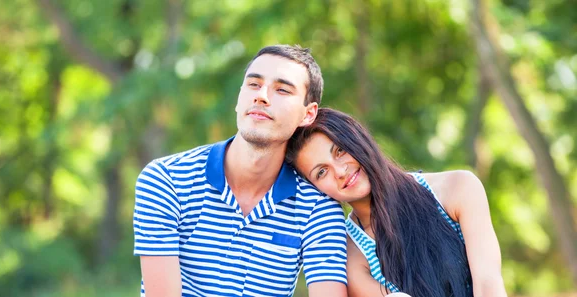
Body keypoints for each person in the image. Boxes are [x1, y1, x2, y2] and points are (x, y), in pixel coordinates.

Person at [133, 46, 348, 297]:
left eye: (282, 90)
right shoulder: (165, 180)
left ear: (308, 114)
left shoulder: (317, 208)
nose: (262, 96)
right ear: (239, 98)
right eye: (253, 84)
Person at [286, 108, 507, 297]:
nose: (340, 171)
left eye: (340, 150)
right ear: (315, 188)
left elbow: (489, 284)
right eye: (322, 172)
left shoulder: (458, 188)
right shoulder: (350, 255)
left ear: (357, 137)